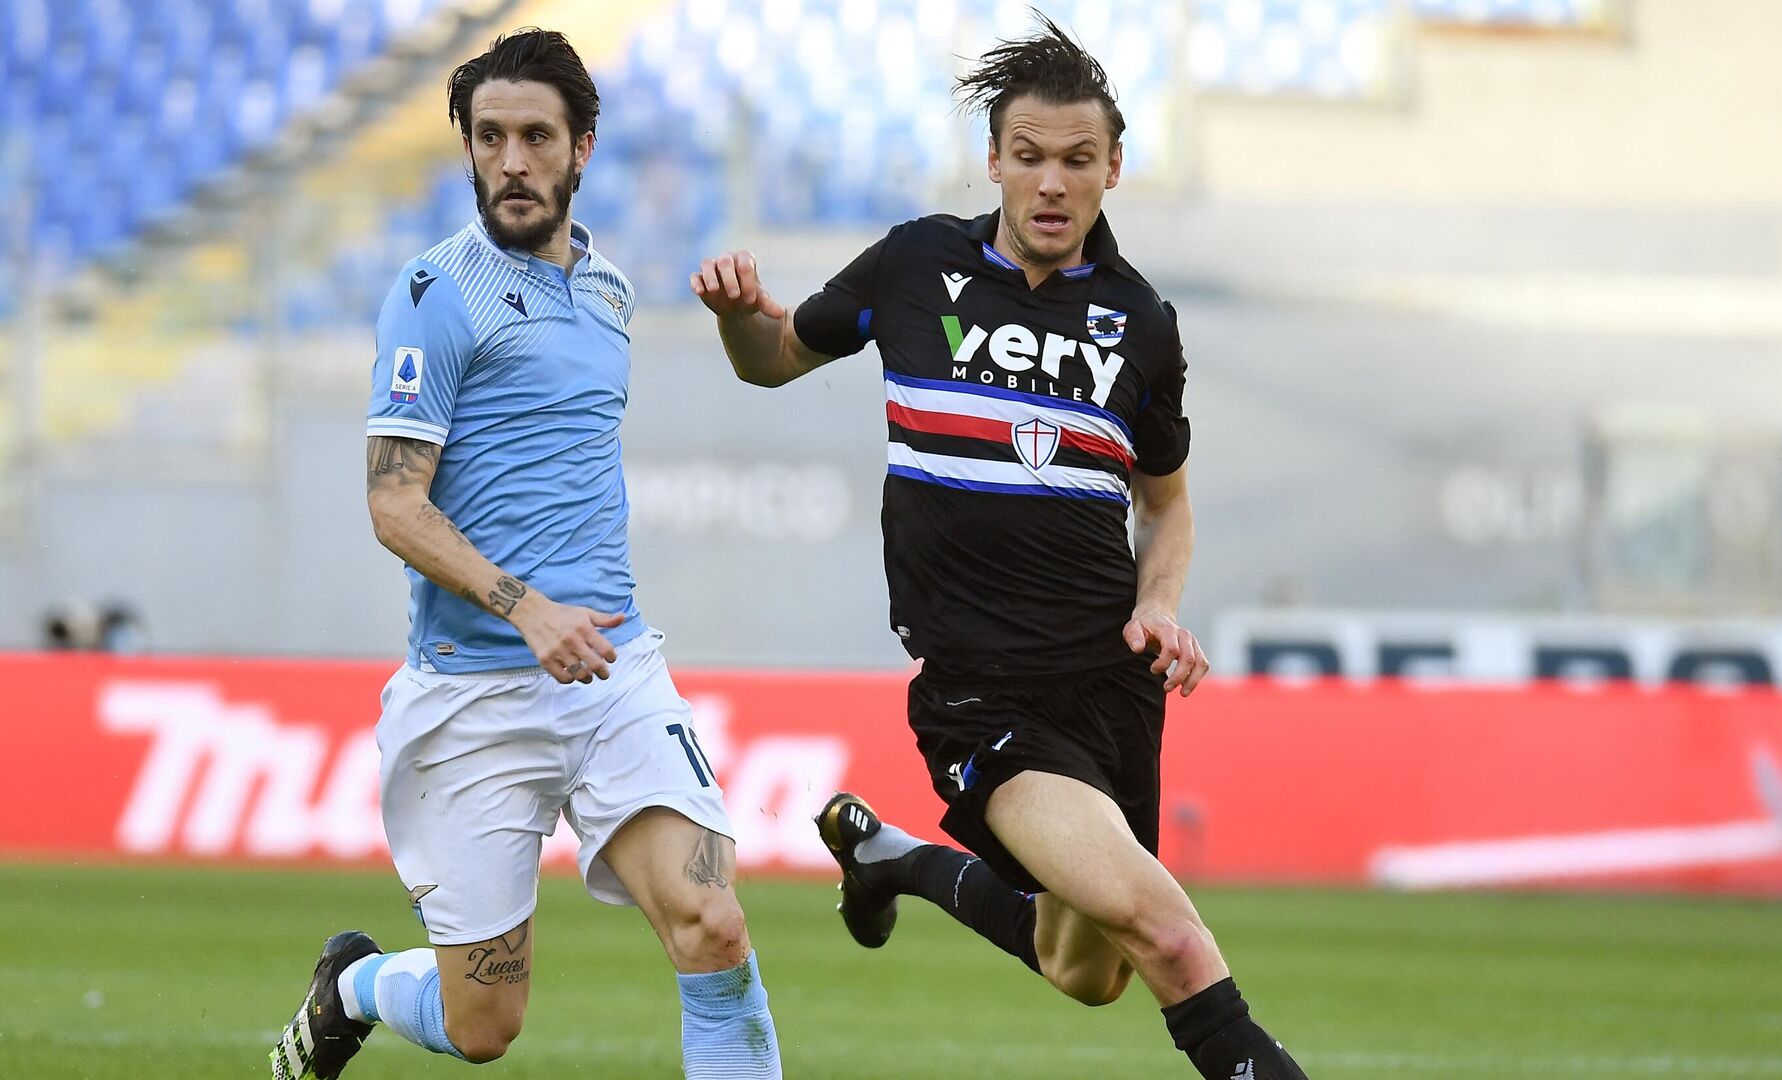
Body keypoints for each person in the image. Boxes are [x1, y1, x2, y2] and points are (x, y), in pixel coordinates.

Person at [690, 15, 1310, 1080]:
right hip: (985, 698)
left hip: (1111, 694)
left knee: (1090, 970)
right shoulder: (916, 264)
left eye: (1077, 160)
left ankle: (894, 861)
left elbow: (1167, 505)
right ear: (994, 160)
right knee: (1166, 937)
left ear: (1115, 165)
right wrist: (741, 319)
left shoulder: (1141, 324)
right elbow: (772, 360)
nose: (1052, 183)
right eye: (1029, 157)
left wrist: (1159, 606)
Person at [270, 29, 781, 1080]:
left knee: (713, 924)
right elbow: (393, 502)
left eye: (535, 137)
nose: (511, 160)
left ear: (581, 148)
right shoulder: (434, 293)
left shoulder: (609, 293)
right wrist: (525, 607)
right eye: (489, 136)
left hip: (610, 672)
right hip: (474, 698)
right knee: (483, 1029)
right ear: (466, 147)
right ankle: (356, 984)